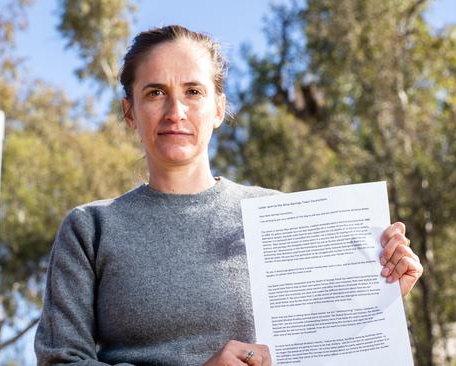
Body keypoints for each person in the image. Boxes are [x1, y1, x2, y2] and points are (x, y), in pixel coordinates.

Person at [34, 25, 423, 366]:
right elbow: (60, 361)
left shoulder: (279, 215)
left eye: (193, 91)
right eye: (155, 92)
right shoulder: (90, 229)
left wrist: (376, 296)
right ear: (129, 112)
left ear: (219, 108)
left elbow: (324, 346)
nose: (175, 111)